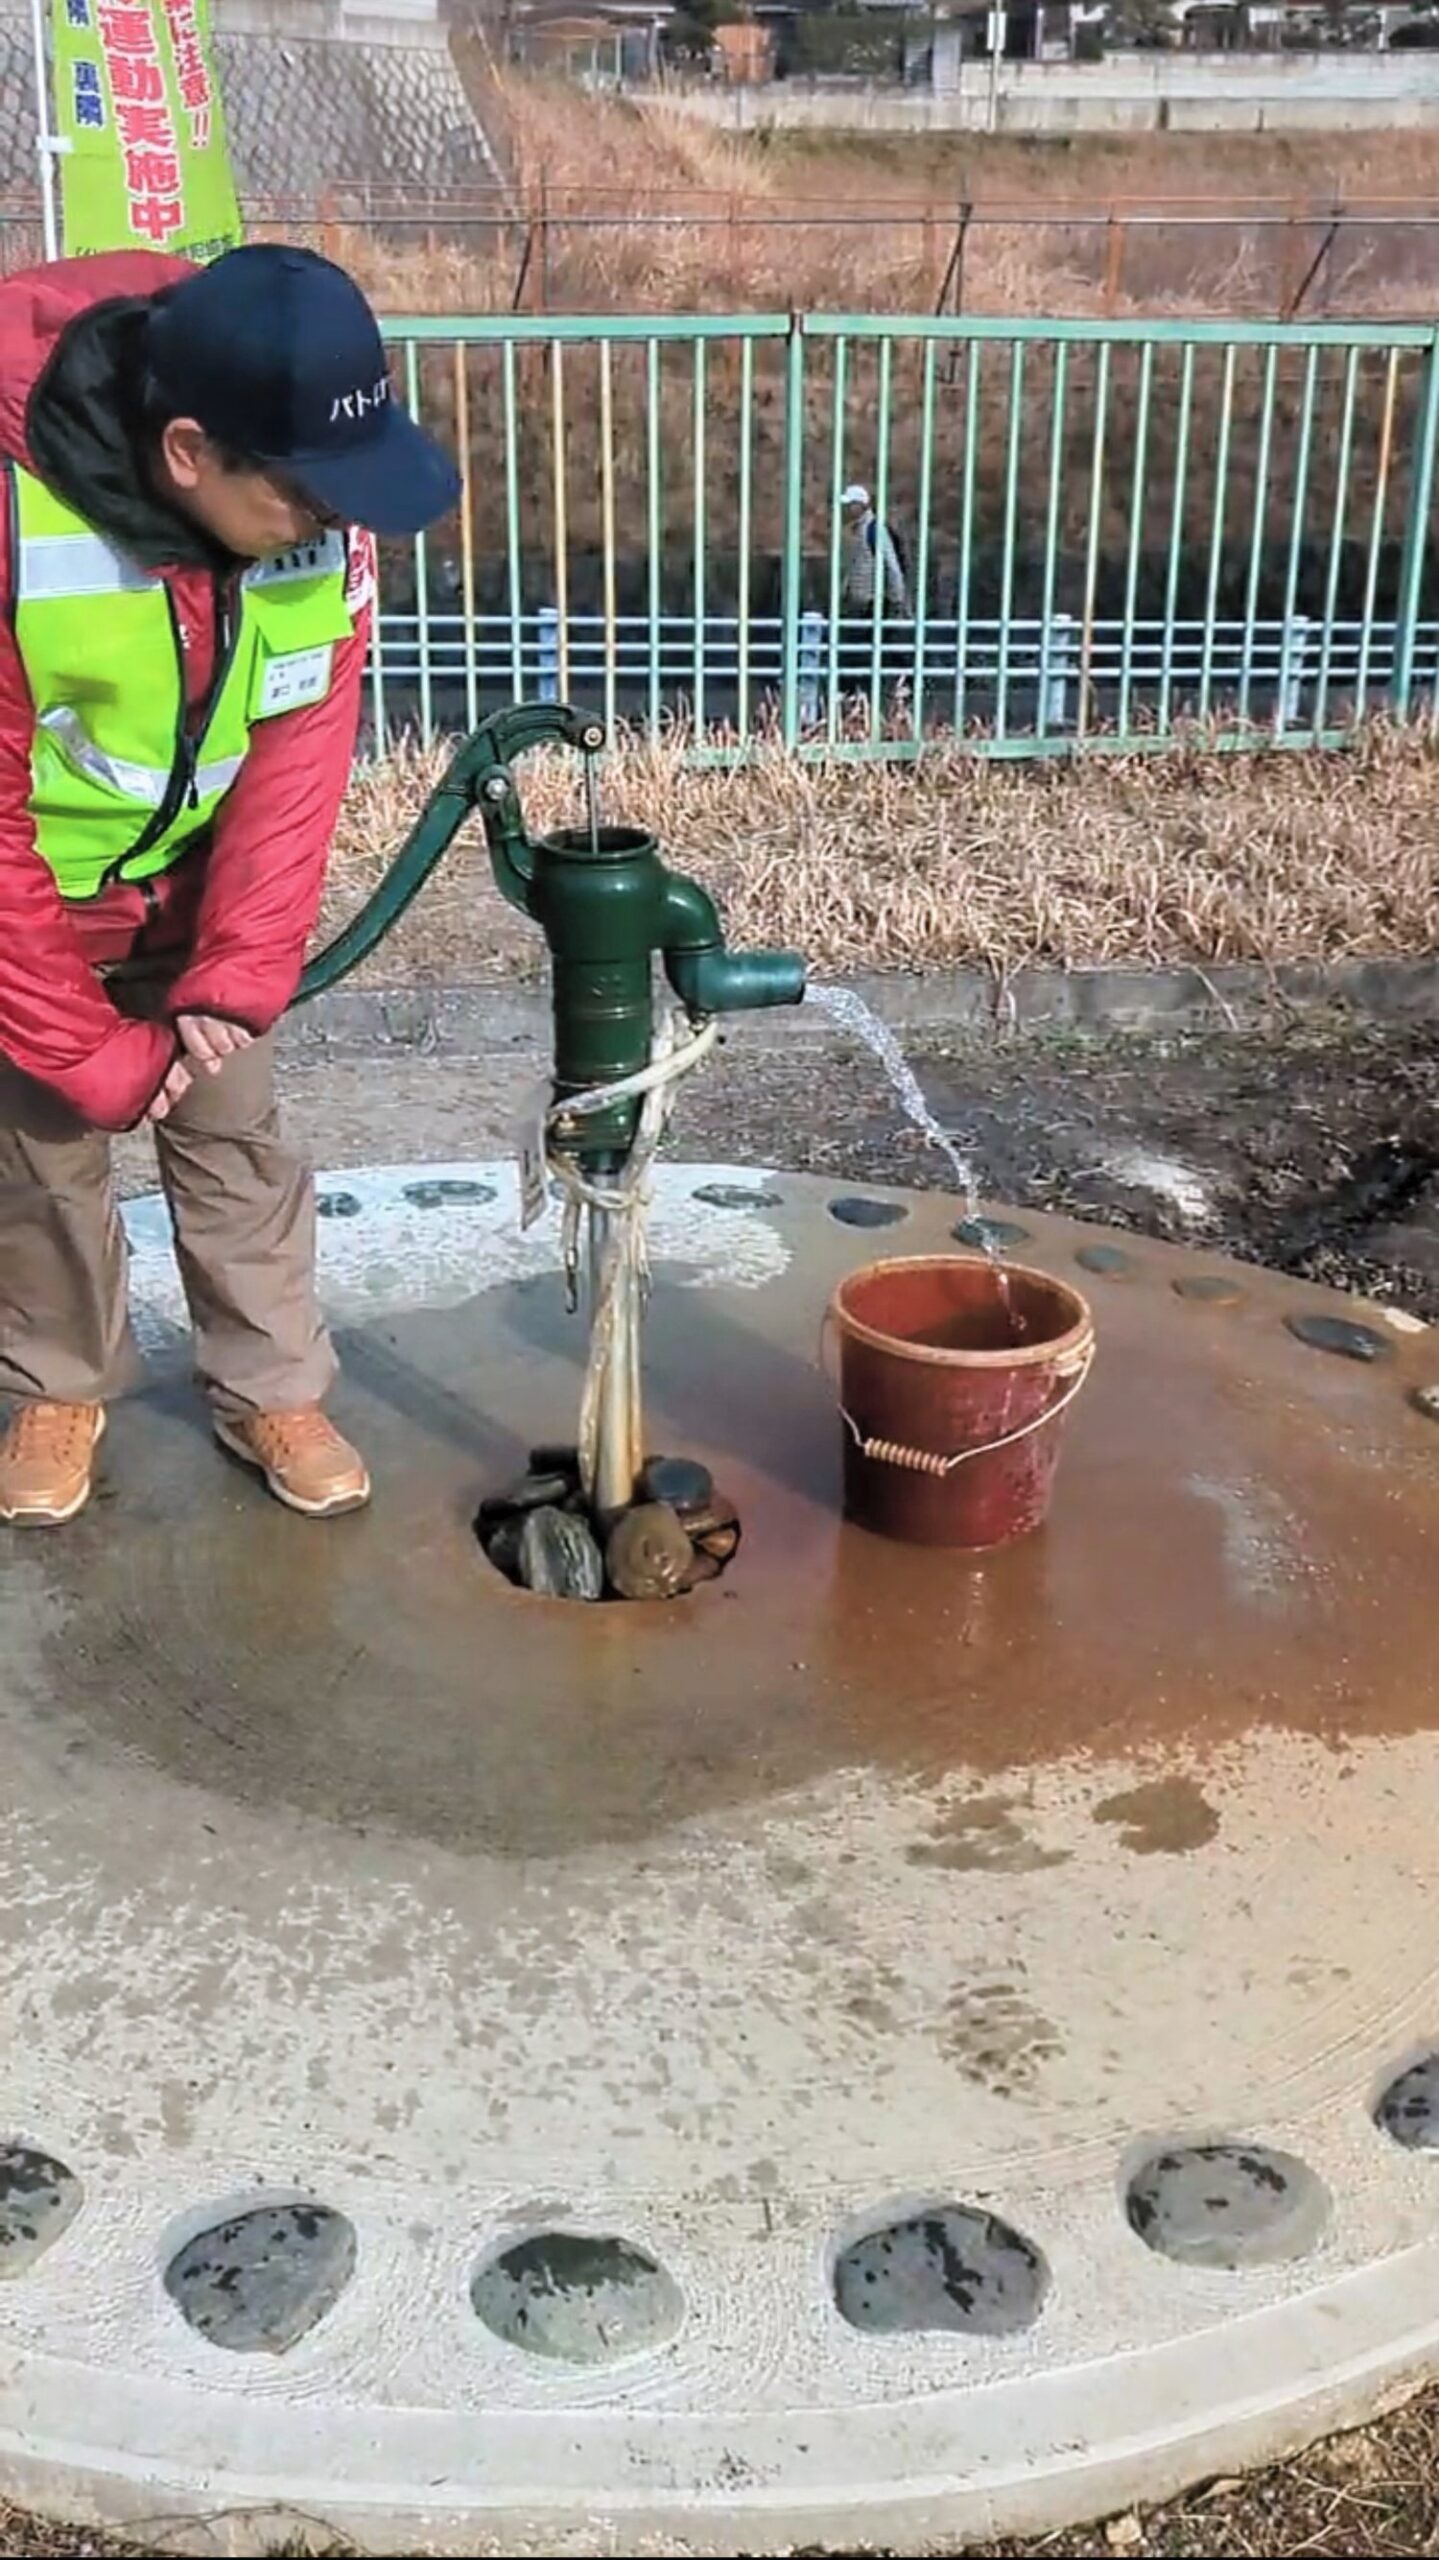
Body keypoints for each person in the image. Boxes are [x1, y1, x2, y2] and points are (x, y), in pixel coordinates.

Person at [0, 241, 460, 1528]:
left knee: (236, 1135)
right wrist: (82, 1050)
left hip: (200, 888)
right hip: (38, 897)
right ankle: (57, 1382)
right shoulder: (15, 518)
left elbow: (300, 744)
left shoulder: (319, 519)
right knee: (40, 1152)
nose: (335, 523)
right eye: (309, 495)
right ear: (189, 452)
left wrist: (239, 969)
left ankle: (271, 1386)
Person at [840, 482, 912, 620]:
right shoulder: (858, 528)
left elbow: (890, 563)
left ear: (861, 505)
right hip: (861, 601)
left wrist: (897, 599)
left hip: (873, 601)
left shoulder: (874, 529)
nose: (847, 509)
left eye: (850, 505)